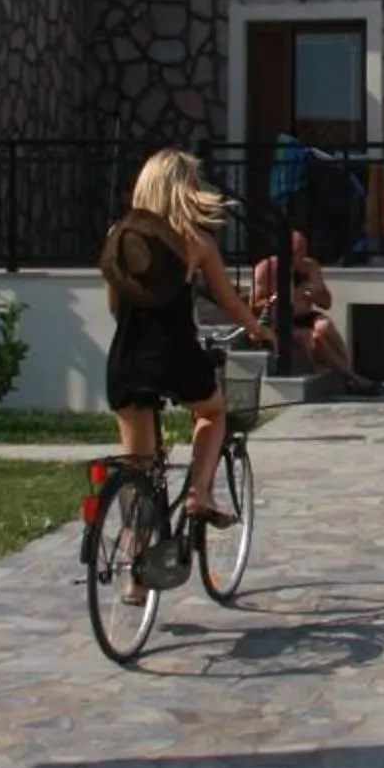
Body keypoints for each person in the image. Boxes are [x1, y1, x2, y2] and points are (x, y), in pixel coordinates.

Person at [102, 151, 271, 540]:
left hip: (127, 356)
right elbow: (229, 302)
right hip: (174, 355)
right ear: (183, 189)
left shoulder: (119, 237)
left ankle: (133, 558)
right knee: (212, 412)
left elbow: (114, 303)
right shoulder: (195, 241)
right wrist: (257, 330)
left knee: (138, 466)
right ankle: (199, 493)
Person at [251, 230, 382, 396]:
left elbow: (327, 303)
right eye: (296, 253)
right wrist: (279, 299)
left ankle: (348, 374)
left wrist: (315, 294)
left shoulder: (311, 267)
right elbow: (253, 305)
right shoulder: (266, 269)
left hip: (306, 316)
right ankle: (353, 378)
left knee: (325, 326)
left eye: (303, 252)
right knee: (314, 338)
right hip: (280, 320)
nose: (300, 258)